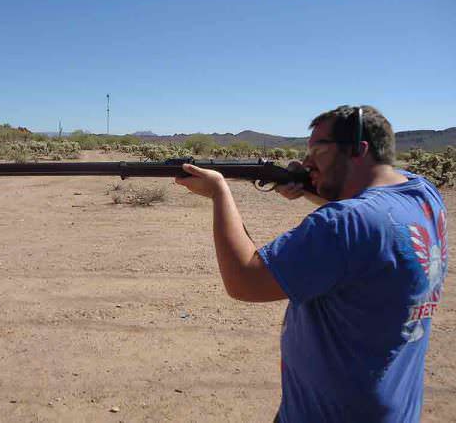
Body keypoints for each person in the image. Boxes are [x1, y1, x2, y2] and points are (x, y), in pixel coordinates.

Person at [175, 105, 448, 423]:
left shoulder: (342, 223)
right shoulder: (422, 194)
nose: (305, 162)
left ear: (358, 150)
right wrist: (308, 188)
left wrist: (219, 192)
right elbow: (369, 212)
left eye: (317, 149)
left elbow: (244, 281)